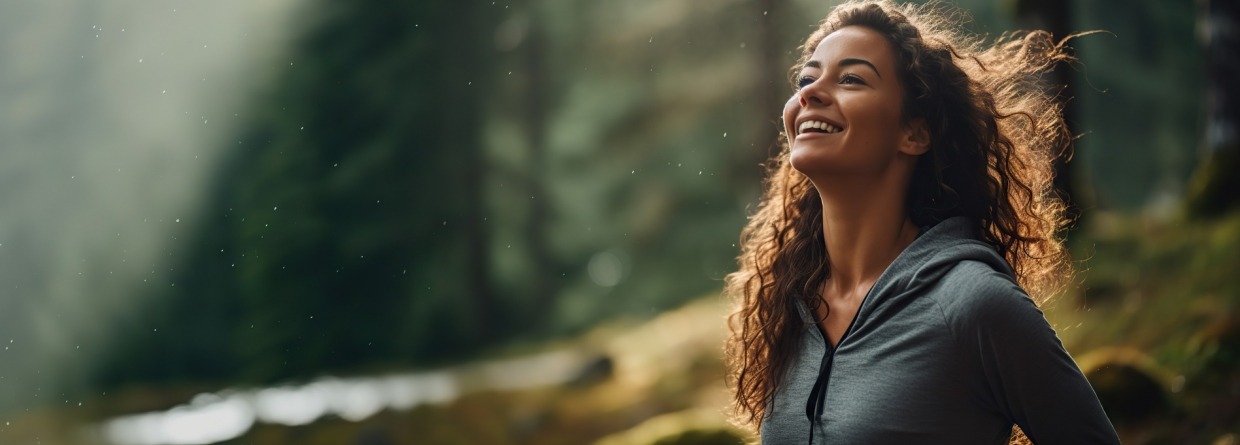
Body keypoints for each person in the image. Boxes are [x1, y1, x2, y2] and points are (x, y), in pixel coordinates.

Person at [723, 1, 1122, 443]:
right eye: (806, 78)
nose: (810, 93)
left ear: (914, 133)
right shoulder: (790, 307)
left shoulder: (973, 304)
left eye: (851, 78)